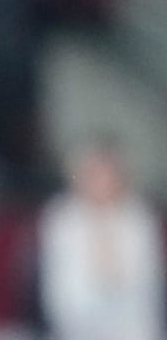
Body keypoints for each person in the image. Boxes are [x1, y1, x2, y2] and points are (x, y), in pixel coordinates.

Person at [36, 138, 165, 340]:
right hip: (76, 322)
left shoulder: (139, 218)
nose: (102, 182)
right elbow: (58, 288)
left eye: (109, 174)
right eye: (94, 174)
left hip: (133, 323)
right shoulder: (61, 219)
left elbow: (148, 283)